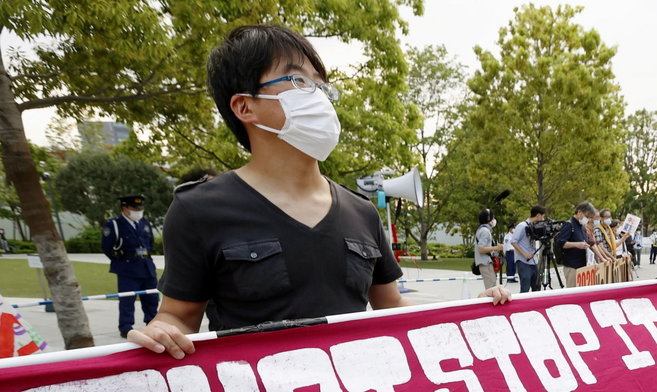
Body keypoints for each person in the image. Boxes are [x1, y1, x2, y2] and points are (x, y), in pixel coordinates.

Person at [130, 25, 509, 359]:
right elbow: (179, 316)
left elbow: (390, 304)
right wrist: (159, 331)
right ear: (245, 106)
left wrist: (464, 311)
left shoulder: (362, 212)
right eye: (298, 81)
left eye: (321, 83)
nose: (319, 96)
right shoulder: (199, 209)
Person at [102, 194, 160, 338]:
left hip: (146, 265)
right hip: (127, 268)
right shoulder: (114, 224)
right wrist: (121, 260)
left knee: (151, 298)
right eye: (134, 208)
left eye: (139, 208)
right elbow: (107, 247)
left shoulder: (145, 223)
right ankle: (126, 327)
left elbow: (150, 244)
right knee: (127, 300)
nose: (138, 211)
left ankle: (152, 322)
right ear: (124, 208)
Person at [555, 202, 596, 288]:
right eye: (587, 216)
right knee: (573, 293)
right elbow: (560, 243)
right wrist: (577, 244)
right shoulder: (569, 225)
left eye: (589, 217)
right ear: (579, 212)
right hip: (572, 266)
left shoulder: (582, 226)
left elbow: (582, 242)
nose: (587, 219)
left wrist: (589, 242)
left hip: (583, 266)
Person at [510, 205, 545, 293]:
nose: (542, 219)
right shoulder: (522, 226)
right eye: (542, 216)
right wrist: (525, 254)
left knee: (536, 286)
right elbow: (513, 241)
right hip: (523, 261)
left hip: (533, 261)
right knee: (525, 288)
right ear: (538, 215)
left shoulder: (534, 227)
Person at [474, 209, 503, 289]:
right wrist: (496, 248)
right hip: (485, 262)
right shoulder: (485, 231)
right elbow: (481, 249)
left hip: (485, 262)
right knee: (491, 288)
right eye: (493, 218)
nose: (494, 220)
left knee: (491, 286)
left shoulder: (482, 229)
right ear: (488, 219)